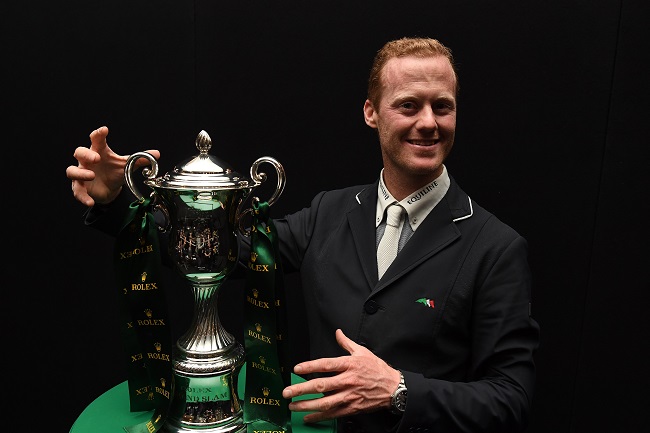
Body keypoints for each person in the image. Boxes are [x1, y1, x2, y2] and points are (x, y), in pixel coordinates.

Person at [67, 37, 540, 432]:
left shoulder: (496, 248)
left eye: (443, 106)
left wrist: (399, 390)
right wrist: (119, 203)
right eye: (408, 105)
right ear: (371, 112)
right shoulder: (329, 213)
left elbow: (511, 398)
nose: (428, 122)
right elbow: (217, 251)